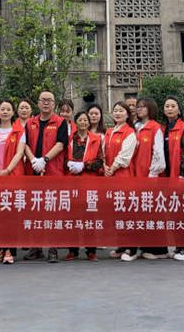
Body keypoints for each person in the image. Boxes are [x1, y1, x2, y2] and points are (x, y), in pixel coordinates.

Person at [23, 90, 70, 263]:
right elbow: (25, 144)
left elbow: (61, 144)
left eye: (49, 100)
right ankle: (36, 248)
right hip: (33, 171)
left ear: (54, 104)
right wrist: (33, 160)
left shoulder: (60, 122)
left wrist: (45, 159)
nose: (45, 103)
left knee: (52, 211)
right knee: (35, 210)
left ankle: (53, 248)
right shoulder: (30, 123)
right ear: (38, 102)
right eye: (43, 100)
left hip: (52, 171)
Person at [0, 99, 27, 264]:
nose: (5, 112)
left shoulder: (19, 131)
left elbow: (19, 153)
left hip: (13, 176)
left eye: (8, 109)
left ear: (13, 112)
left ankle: (10, 250)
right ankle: (1, 249)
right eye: (2, 109)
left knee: (11, 214)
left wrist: (7, 170)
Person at [65, 111, 104, 262]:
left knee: (90, 216)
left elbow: (100, 161)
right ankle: (73, 250)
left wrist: (84, 165)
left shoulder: (96, 139)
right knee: (72, 216)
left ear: (89, 123)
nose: (83, 122)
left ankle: (91, 250)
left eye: (85, 120)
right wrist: (69, 164)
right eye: (80, 120)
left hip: (89, 181)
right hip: (72, 182)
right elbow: (63, 159)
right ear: (76, 122)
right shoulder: (69, 139)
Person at [162, 96, 184, 261]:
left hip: (183, 177)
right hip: (169, 177)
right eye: (167, 106)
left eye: (173, 106)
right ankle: (179, 246)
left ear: (179, 110)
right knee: (175, 212)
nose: (169, 109)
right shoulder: (164, 130)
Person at [133, 97, 167, 261]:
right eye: (138, 107)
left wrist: (153, 174)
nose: (139, 109)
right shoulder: (135, 127)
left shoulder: (155, 128)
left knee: (153, 214)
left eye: (143, 107)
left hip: (150, 177)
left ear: (150, 109)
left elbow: (158, 153)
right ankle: (144, 246)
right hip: (136, 175)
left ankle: (159, 250)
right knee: (140, 213)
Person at [104, 102, 137, 261]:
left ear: (127, 114)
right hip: (110, 177)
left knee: (126, 212)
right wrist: (104, 165)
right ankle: (121, 244)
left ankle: (131, 247)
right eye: (115, 110)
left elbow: (125, 155)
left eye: (121, 111)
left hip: (123, 176)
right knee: (116, 212)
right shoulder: (109, 132)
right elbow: (102, 152)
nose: (117, 113)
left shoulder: (130, 132)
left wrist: (113, 167)